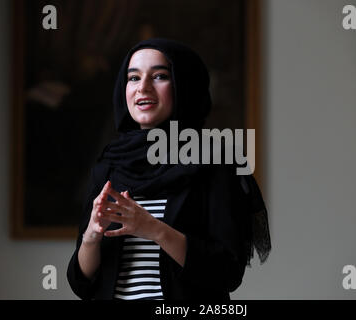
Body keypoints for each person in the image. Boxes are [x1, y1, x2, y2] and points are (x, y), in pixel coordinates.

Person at [67, 38, 271, 300]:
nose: (143, 87)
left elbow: (228, 272)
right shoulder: (110, 164)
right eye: (133, 78)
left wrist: (154, 229)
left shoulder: (216, 161)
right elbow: (80, 282)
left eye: (159, 76)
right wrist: (92, 236)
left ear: (184, 85)